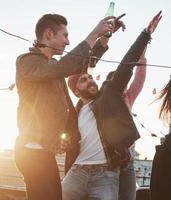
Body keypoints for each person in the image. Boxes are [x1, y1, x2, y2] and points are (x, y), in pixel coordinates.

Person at [14, 13, 123, 200]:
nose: (67, 41)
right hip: (31, 152)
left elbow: (79, 64)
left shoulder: (53, 66)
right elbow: (65, 66)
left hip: (43, 152)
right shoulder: (26, 62)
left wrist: (103, 40)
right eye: (64, 35)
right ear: (48, 34)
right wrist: (94, 33)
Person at [62, 11, 162, 200]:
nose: (90, 81)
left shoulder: (109, 93)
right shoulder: (74, 113)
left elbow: (126, 65)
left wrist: (146, 34)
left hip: (106, 175)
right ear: (76, 90)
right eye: (84, 80)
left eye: (90, 77)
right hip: (78, 172)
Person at [106, 50, 147, 200]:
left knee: (129, 196)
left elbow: (139, 79)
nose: (124, 87)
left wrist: (141, 56)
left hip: (128, 160)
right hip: (108, 160)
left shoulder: (127, 98)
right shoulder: (102, 102)